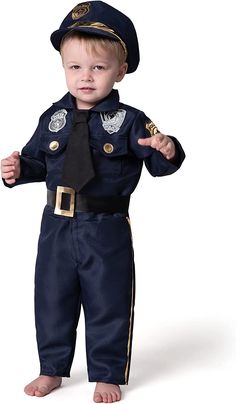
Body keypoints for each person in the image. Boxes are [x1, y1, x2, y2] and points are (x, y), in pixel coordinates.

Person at [1, 1, 185, 402]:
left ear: (121, 70)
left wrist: (167, 148)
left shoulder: (132, 119)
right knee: (52, 296)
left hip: (106, 226)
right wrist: (15, 171)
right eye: (75, 67)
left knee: (108, 297)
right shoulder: (54, 117)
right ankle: (51, 368)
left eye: (98, 68)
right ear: (64, 68)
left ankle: (107, 372)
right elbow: (37, 161)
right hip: (56, 222)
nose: (86, 77)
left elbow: (159, 160)